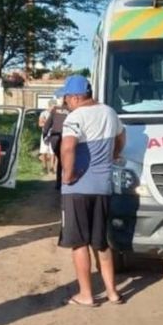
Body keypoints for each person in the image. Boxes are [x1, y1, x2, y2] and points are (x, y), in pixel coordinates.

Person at [58, 75, 125, 307]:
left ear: (76, 97)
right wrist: (114, 154)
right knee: (101, 242)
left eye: (66, 98)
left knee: (79, 243)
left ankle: (86, 294)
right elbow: (121, 137)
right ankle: (112, 292)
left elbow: (67, 147)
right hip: (103, 187)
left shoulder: (75, 117)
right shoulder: (109, 112)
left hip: (77, 189)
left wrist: (68, 175)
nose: (65, 102)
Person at [44, 96, 69, 190]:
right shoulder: (73, 110)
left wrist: (45, 137)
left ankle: (59, 183)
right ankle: (67, 181)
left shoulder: (55, 109)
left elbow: (47, 125)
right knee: (67, 159)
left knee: (60, 160)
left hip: (55, 138)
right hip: (67, 137)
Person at [38, 104, 54, 174]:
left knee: (52, 152)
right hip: (45, 134)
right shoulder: (43, 113)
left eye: (54, 106)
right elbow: (40, 124)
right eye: (51, 106)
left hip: (53, 134)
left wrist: (46, 122)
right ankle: (44, 167)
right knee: (44, 151)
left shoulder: (56, 114)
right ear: (48, 106)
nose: (52, 108)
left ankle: (52, 167)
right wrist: (49, 123)